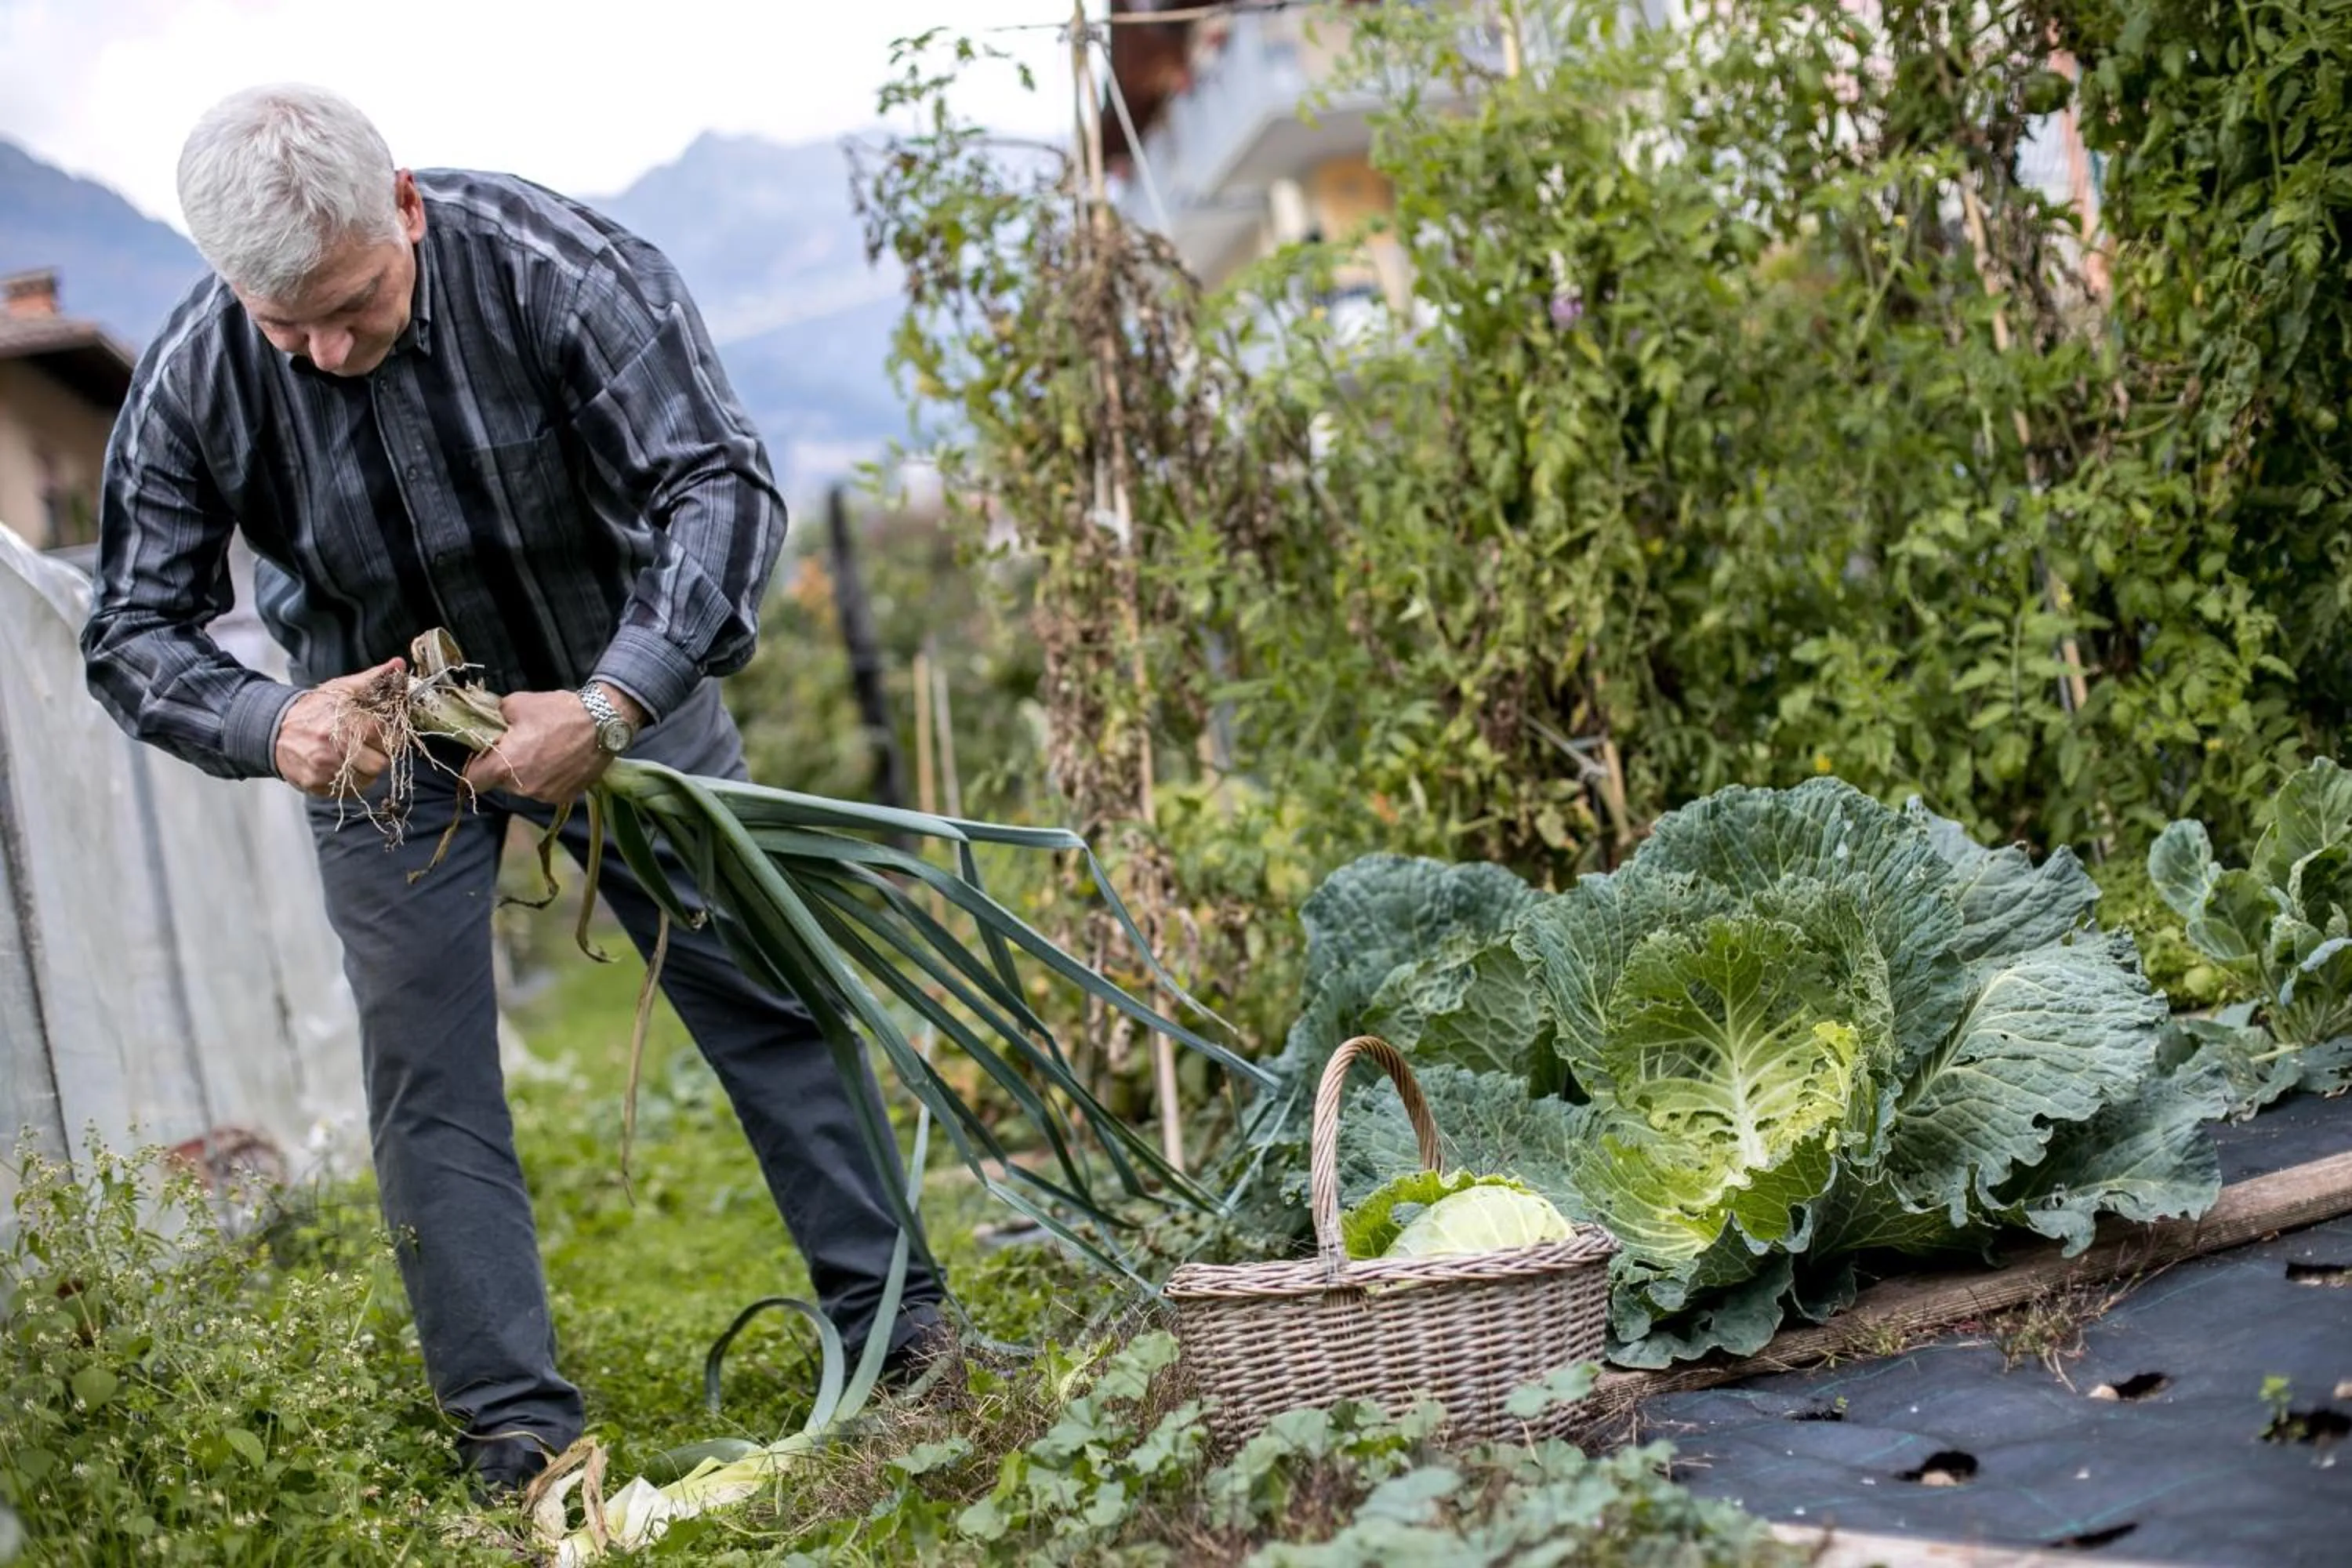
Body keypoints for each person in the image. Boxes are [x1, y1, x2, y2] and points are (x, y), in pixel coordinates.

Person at [81, 83, 947, 1494]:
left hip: (614, 682)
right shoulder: (200, 372)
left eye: (351, 303)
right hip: (380, 746)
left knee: (765, 994)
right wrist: (272, 719)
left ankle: (905, 1323)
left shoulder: (559, 270)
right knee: (425, 1069)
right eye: (281, 320)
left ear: (405, 208)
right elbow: (128, 632)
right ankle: (515, 1427)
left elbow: (720, 490)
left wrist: (612, 704)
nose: (322, 348)